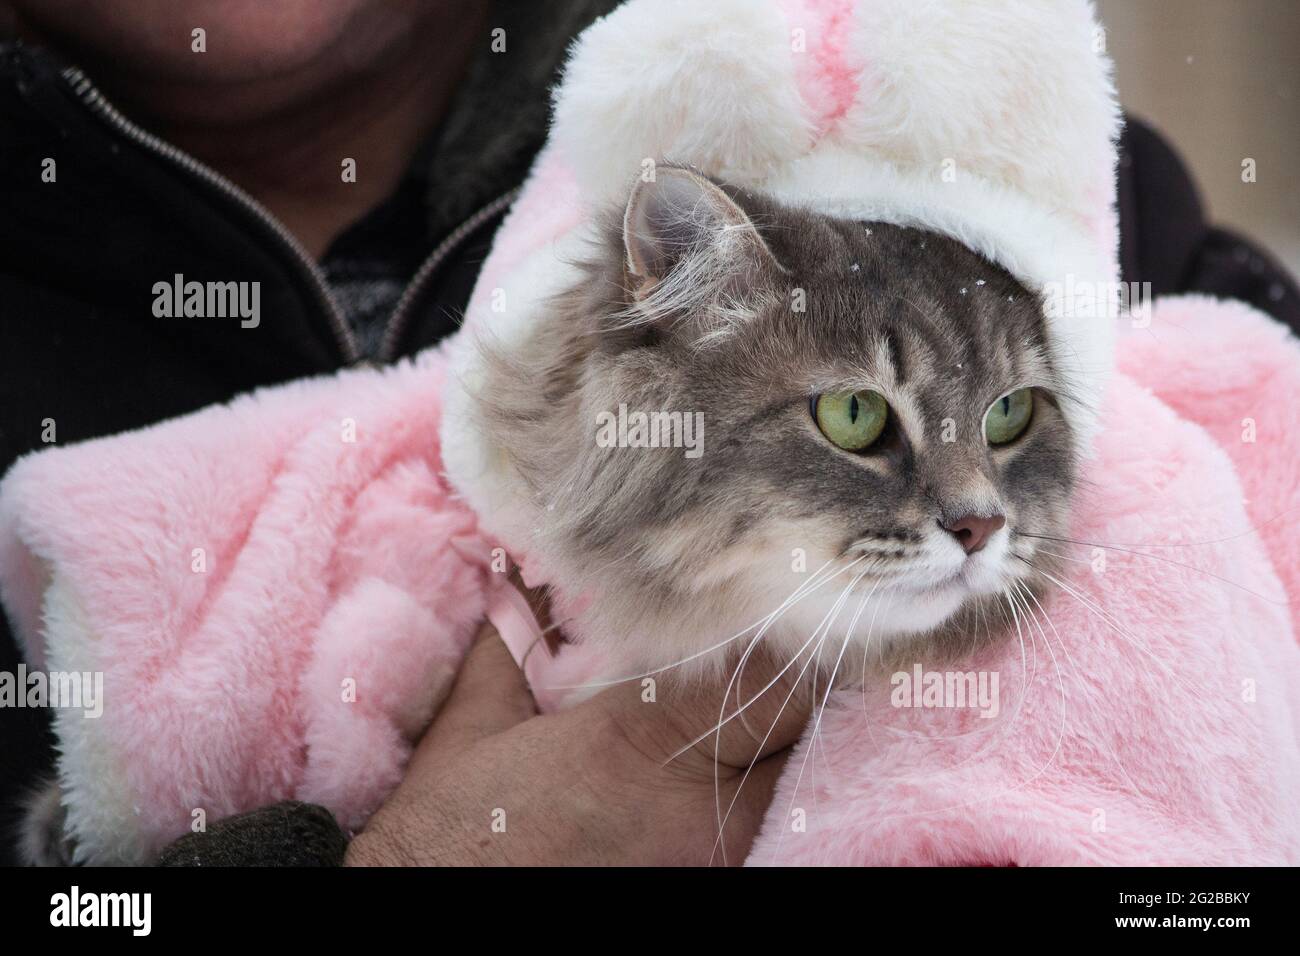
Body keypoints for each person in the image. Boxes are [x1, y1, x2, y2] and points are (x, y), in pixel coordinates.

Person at [0, 0, 1295, 866]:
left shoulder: (1045, 195)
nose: (972, 508)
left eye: (1008, 419)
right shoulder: (304, 510)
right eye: (860, 419)